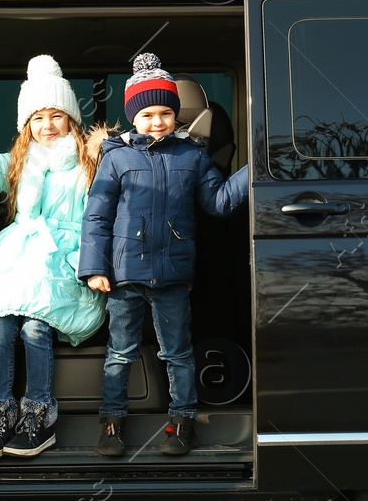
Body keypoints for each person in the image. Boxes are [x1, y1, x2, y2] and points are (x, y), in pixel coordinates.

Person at [78, 52, 249, 457]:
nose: (157, 122)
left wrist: (253, 168)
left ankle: (183, 423)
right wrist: (94, 268)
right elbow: (97, 217)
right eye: (148, 114)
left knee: (177, 351)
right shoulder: (116, 157)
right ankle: (112, 423)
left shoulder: (191, 156)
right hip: (124, 276)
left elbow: (220, 203)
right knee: (120, 351)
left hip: (172, 275)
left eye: (165, 113)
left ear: (176, 115)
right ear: (133, 118)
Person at [0, 55, 105, 458]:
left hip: (64, 262)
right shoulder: (18, 165)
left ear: (72, 120)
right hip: (19, 262)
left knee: (36, 328)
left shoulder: (89, 166)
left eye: (57, 115)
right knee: (1, 327)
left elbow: (98, 220)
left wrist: (87, 265)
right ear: (26, 126)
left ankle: (38, 415)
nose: (47, 125)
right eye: (37, 117)